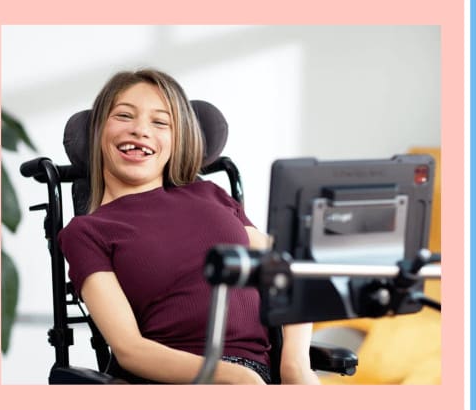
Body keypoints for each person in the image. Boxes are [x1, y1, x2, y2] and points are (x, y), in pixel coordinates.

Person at [59, 68, 319, 384]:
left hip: (258, 376)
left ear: (177, 140)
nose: (140, 130)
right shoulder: (86, 232)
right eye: (125, 116)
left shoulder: (212, 196)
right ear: (98, 130)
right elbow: (129, 349)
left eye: (160, 122)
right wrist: (235, 378)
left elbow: (293, 268)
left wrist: (295, 365)